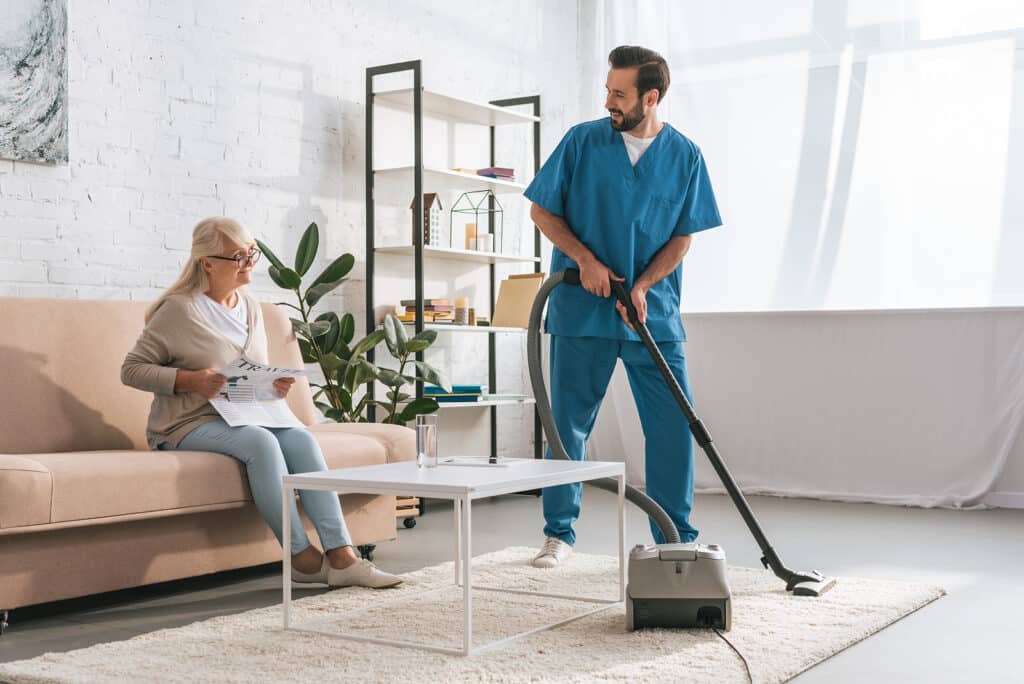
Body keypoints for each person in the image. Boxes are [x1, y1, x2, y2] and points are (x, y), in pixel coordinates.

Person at [121, 216, 401, 588]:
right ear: (208, 262)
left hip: (243, 414)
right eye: (238, 256)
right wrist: (192, 380)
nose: (249, 263)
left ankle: (342, 555)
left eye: (251, 253)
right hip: (186, 424)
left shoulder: (252, 307)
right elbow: (132, 370)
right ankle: (301, 557)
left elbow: (247, 371)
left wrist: (270, 386)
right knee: (262, 443)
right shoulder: (178, 310)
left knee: (301, 440)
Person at [524, 45, 723, 568]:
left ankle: (675, 535)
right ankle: (559, 534)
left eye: (619, 93)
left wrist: (644, 286)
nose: (608, 101)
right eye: (607, 90)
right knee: (567, 425)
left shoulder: (685, 156)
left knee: (672, 427)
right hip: (580, 306)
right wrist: (586, 261)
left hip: (651, 315)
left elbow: (683, 238)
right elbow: (542, 212)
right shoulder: (581, 142)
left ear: (650, 98)